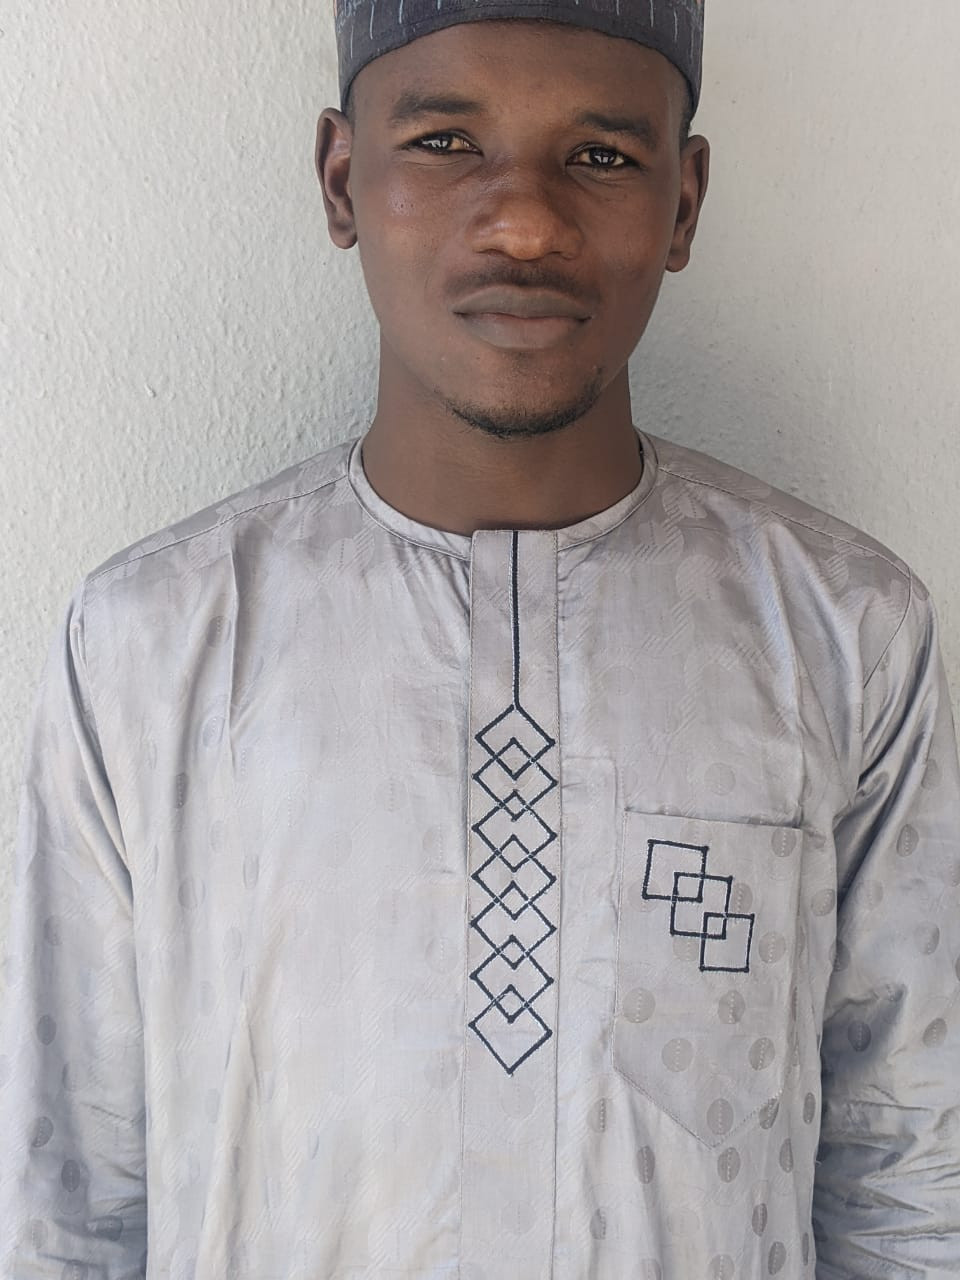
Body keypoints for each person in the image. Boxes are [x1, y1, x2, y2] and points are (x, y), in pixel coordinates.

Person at [2, 0, 958, 1274]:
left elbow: (911, 1180)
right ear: (342, 178)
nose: (525, 224)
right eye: (447, 142)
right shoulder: (151, 645)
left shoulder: (844, 634)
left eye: (602, 155)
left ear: (683, 202)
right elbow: (67, 1197)